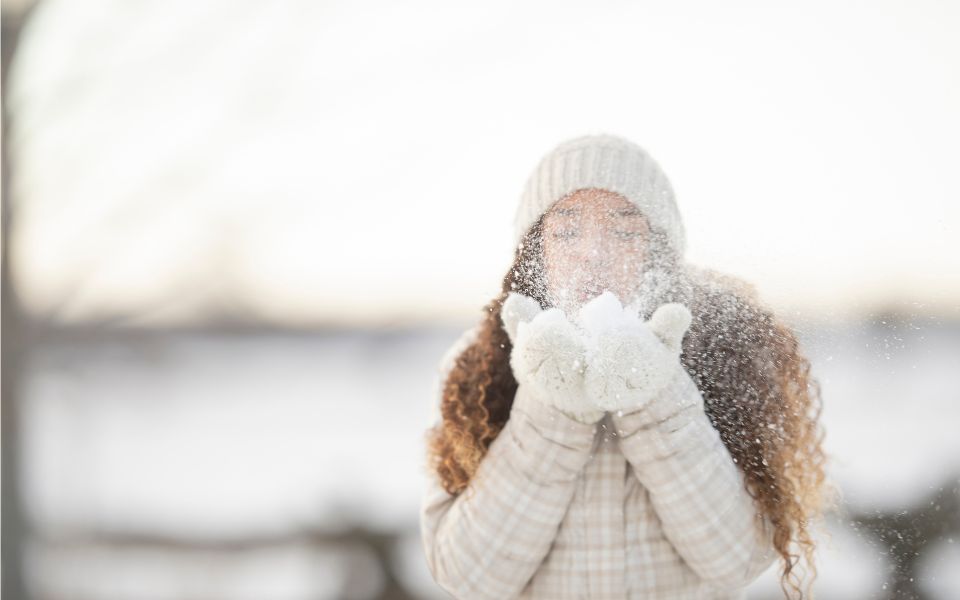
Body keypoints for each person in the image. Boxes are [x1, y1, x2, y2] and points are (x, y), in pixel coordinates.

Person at [419, 133, 833, 599]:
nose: (594, 253)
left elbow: (738, 561)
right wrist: (551, 406)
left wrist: (654, 394)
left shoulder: (722, 354)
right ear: (535, 251)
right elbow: (466, 577)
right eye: (567, 232)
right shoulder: (475, 367)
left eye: (625, 232)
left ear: (658, 252)